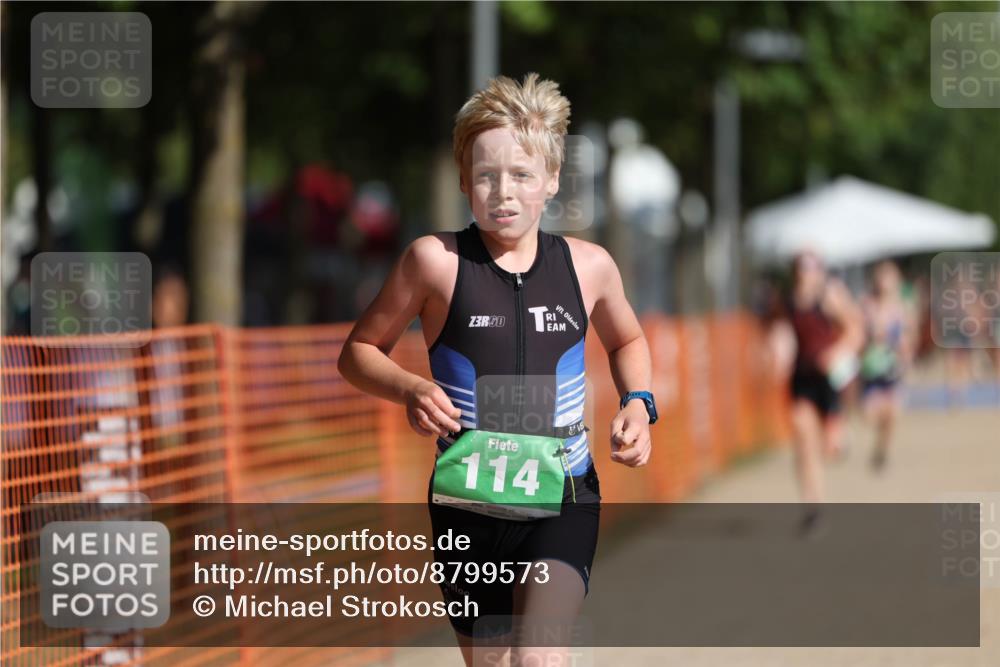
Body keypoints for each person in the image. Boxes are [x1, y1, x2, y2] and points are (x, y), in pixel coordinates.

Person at [337, 73, 656, 666]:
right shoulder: (434, 262)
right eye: (485, 175)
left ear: (552, 179)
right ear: (463, 180)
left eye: (521, 175)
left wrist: (638, 402)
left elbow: (628, 338)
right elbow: (358, 352)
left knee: (538, 657)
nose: (502, 192)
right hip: (468, 503)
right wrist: (410, 388)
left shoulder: (589, 267)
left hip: (563, 493)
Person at [785, 251, 864, 534]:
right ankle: (813, 509)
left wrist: (837, 352)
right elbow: (779, 330)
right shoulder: (790, 300)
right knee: (803, 438)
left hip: (829, 381)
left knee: (830, 450)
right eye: (801, 266)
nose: (805, 271)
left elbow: (856, 331)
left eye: (811, 266)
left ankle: (840, 435)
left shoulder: (830, 297)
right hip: (802, 378)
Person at [859, 261, 913, 472]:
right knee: (870, 416)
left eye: (889, 277)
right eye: (882, 276)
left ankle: (882, 451)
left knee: (893, 416)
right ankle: (880, 440)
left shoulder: (901, 308)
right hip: (871, 370)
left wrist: (905, 355)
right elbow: (857, 333)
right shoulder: (866, 305)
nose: (885, 282)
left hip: (893, 370)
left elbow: (907, 339)